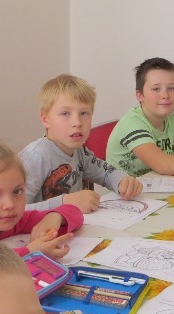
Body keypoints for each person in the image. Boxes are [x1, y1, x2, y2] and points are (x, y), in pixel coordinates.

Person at [20, 74, 143, 213]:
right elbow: (16, 212)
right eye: (65, 113)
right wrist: (64, 203)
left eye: (84, 113)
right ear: (45, 119)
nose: (77, 122)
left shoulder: (78, 150)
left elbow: (104, 172)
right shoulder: (35, 157)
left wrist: (122, 180)